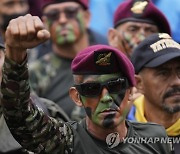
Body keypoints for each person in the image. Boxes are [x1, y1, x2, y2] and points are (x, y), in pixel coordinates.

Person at [1, 14, 173, 153]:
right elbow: (19, 116)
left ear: (131, 90)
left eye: (115, 86)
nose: (106, 98)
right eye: (92, 89)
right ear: (77, 97)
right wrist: (15, 53)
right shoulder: (66, 142)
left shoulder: (154, 137)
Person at [28, 0, 108, 120]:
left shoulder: (110, 61)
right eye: (53, 15)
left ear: (86, 17)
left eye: (70, 13)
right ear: (45, 23)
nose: (62, 20)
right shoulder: (35, 73)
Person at [128, 33, 180, 154]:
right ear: (138, 83)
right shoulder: (117, 131)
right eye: (163, 73)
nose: (177, 82)